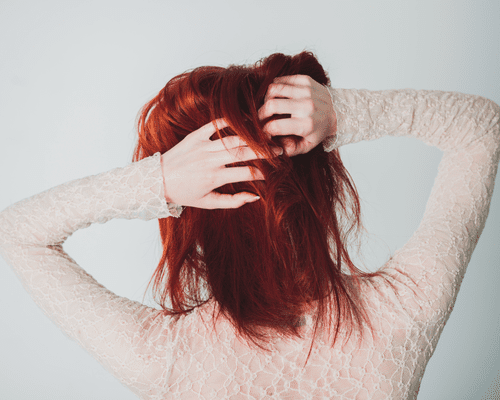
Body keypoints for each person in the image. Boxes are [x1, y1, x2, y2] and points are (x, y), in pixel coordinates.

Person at [0, 51, 498, 399]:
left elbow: (18, 232)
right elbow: (482, 129)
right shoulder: (401, 310)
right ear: (319, 187)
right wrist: (342, 112)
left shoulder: (167, 358)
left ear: (191, 220)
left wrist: (161, 181)